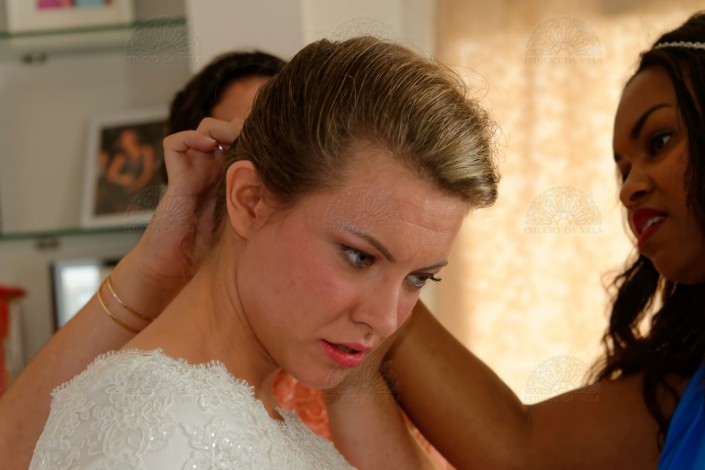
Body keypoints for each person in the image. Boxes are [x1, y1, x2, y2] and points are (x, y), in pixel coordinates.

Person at [26, 36, 500, 469]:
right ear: (250, 201)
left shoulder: (258, 420)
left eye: (419, 278)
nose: (386, 320)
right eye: (359, 257)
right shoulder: (152, 432)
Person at [324, 11, 705, 470]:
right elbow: (520, 447)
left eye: (659, 141)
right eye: (623, 170)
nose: (629, 189)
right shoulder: (686, 393)